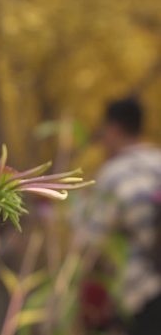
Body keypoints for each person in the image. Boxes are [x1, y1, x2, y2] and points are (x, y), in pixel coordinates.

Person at [77, 97, 161, 334]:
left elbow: (90, 242)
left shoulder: (114, 173)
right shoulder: (158, 160)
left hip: (143, 293)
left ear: (113, 130)